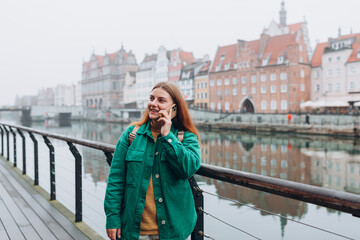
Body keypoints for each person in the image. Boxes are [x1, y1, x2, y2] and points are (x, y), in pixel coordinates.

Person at [104, 82, 201, 240]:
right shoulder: (131, 134)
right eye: (151, 98)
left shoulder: (186, 137)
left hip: (171, 230)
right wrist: (112, 218)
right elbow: (116, 179)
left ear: (174, 108)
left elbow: (188, 168)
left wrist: (168, 136)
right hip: (135, 229)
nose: (153, 104)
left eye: (161, 100)